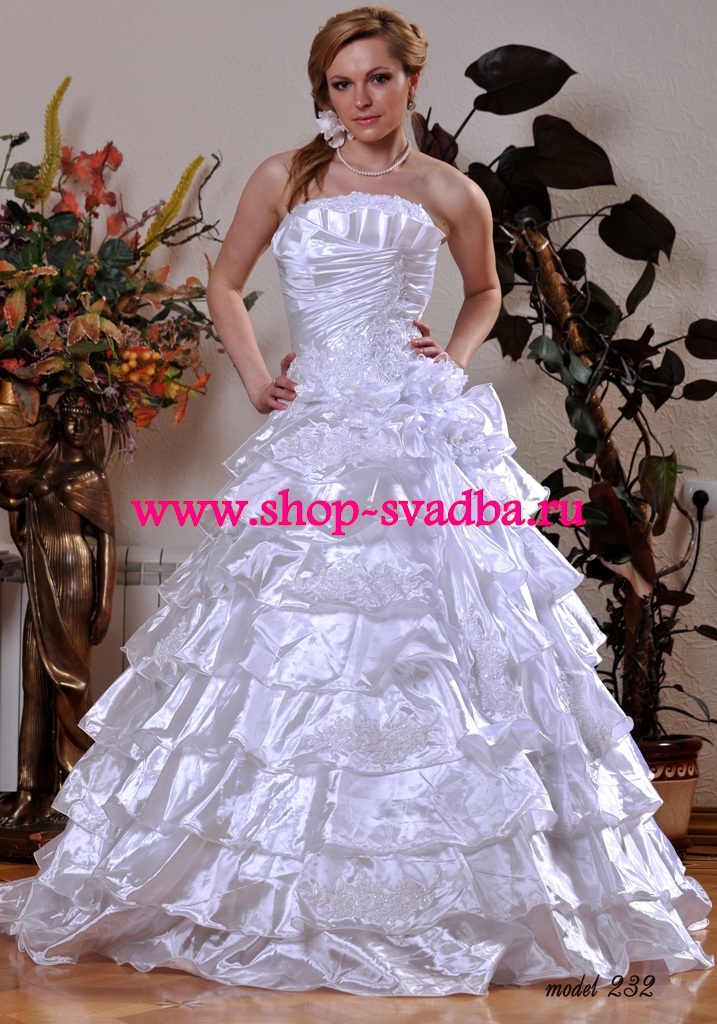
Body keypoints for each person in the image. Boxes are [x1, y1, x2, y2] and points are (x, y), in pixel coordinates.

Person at [0, 5, 711, 997]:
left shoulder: (450, 189)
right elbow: (224, 283)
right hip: (318, 429)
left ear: (410, 80)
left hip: (417, 431)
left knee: (437, 638)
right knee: (290, 644)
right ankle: (270, 887)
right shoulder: (285, 177)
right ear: (322, 92)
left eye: (377, 78)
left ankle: (458, 879)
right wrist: (258, 380)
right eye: (341, 83)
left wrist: (451, 358)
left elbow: (482, 293)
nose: (360, 99)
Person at [0, 390, 115, 828]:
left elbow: (107, 540)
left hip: (76, 578)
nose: (79, 424)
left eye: (87, 418)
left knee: (70, 688)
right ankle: (31, 790)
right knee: (35, 685)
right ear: (57, 420)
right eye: (71, 415)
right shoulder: (41, 469)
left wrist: (105, 604)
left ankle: (73, 791)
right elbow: (20, 514)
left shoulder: (91, 476)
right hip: (42, 575)